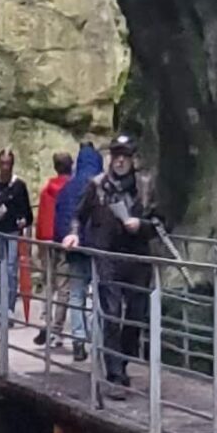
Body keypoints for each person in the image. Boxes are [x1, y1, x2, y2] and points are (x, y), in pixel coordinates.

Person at [64, 135, 160, 387]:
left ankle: (123, 359)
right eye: (115, 155)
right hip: (107, 257)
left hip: (138, 258)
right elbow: (78, 214)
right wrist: (73, 233)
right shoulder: (96, 185)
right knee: (112, 313)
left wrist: (141, 225)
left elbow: (161, 223)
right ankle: (115, 372)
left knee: (136, 315)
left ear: (132, 159)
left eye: (124, 156)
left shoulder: (146, 185)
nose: (119, 160)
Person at [54, 137, 103, 358]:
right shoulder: (102, 185)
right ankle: (97, 341)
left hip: (74, 248)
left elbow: (61, 216)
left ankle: (78, 341)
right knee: (98, 295)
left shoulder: (68, 187)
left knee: (76, 295)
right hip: (98, 248)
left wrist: (61, 241)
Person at [0, 148, 32, 329]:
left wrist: (24, 221)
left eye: (8, 164)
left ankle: (8, 310)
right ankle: (4, 305)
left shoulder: (19, 186)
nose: (5, 167)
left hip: (12, 232)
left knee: (9, 270)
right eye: (2, 163)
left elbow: (28, 214)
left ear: (12, 165)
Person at [32, 152, 74, 345]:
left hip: (47, 241)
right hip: (64, 240)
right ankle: (57, 329)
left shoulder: (46, 190)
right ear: (70, 166)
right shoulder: (72, 189)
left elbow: (41, 218)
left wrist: (39, 241)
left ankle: (46, 321)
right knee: (64, 286)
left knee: (48, 283)